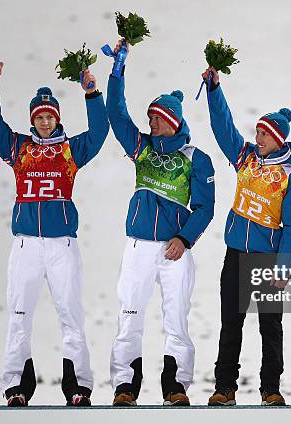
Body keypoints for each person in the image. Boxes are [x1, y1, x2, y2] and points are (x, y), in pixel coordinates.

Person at [0, 62, 109, 406]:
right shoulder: (19, 149)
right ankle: (16, 388)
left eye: (50, 116)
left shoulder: (70, 150)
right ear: (33, 120)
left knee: (70, 315)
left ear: (57, 118)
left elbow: (99, 132)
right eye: (39, 117)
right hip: (25, 246)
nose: (45, 121)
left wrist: (92, 93)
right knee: (19, 315)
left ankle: (79, 388)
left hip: (63, 245)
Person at [106, 40, 215, 406]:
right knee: (130, 315)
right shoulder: (142, 148)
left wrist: (184, 239)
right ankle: (125, 386)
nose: (150, 123)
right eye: (150, 118)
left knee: (176, 321)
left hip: (175, 249)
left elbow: (205, 207)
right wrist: (117, 71)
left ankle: (176, 386)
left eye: (157, 119)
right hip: (138, 245)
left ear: (172, 122)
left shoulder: (196, 159)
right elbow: (117, 115)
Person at [201, 66, 291, 406]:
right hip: (235, 256)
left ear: (278, 139)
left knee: (270, 328)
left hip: (268, 261)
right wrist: (214, 90)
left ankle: (270, 389)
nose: (258, 137)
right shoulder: (246, 157)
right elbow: (223, 129)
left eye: (265, 134)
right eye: (259, 132)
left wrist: (284, 267)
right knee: (230, 324)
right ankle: (224, 388)